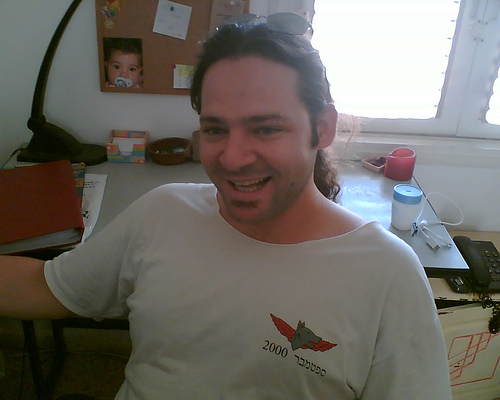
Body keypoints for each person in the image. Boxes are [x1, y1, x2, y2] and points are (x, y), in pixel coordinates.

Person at [0, 22, 452, 400]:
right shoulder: (163, 213)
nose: (232, 159)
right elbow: (47, 286)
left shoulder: (387, 275)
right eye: (215, 129)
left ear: (322, 127)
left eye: (266, 128)